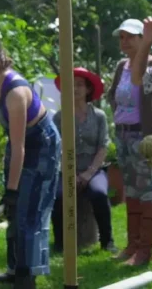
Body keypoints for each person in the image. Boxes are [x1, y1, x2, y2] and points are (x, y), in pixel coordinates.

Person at [0, 34, 60, 289]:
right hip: (20, 142)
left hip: (40, 144)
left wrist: (11, 191)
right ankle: (14, 268)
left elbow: (20, 149)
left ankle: (27, 277)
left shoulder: (16, 92)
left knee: (29, 210)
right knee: (14, 213)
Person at [105, 18, 152, 266]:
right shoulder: (122, 66)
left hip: (145, 136)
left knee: (149, 191)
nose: (124, 41)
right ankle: (132, 245)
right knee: (131, 191)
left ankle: (145, 250)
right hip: (124, 135)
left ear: (143, 38)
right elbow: (113, 96)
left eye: (130, 36)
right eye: (121, 37)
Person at [49, 67, 118, 254]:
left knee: (99, 194)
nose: (75, 88)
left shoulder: (99, 116)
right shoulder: (59, 117)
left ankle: (107, 241)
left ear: (88, 89)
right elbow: (56, 148)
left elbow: (103, 146)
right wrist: (70, 172)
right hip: (67, 170)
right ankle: (60, 243)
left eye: (79, 84)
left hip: (94, 169)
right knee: (58, 196)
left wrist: (88, 173)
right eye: (71, 84)